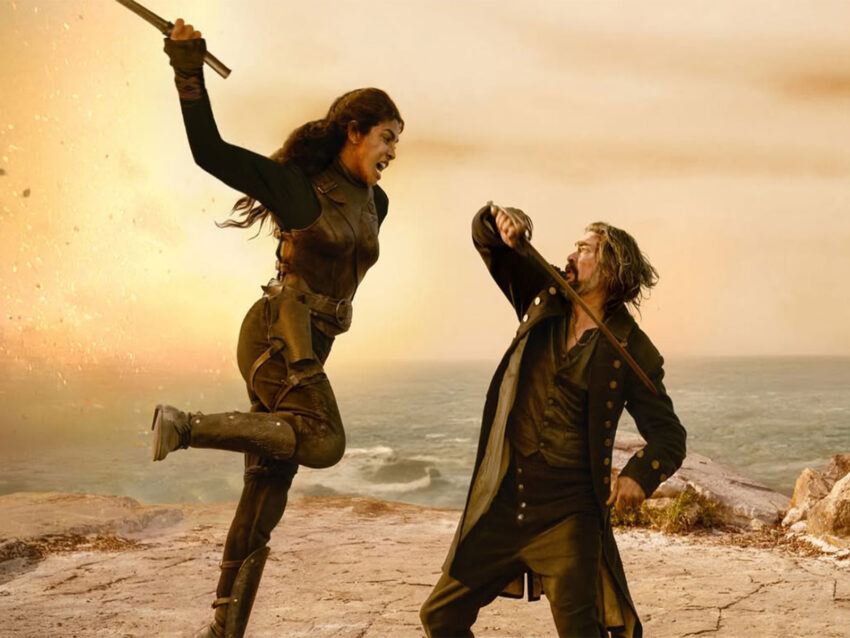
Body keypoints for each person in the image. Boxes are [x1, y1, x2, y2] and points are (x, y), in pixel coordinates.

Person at [148, 19, 402, 638]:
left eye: (398, 142)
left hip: (311, 347)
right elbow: (210, 152)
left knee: (267, 490)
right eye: (387, 137)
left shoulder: (377, 203)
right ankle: (185, 425)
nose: (393, 152)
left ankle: (223, 626)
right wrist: (187, 69)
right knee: (325, 442)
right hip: (274, 339)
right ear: (355, 131)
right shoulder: (299, 190)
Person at [420, 204, 686, 637]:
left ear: (611, 268)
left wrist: (638, 476)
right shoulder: (542, 298)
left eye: (584, 248)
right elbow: (489, 243)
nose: (571, 254)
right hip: (505, 502)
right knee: (440, 616)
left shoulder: (631, 349)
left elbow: (669, 436)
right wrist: (502, 222)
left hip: (568, 515)